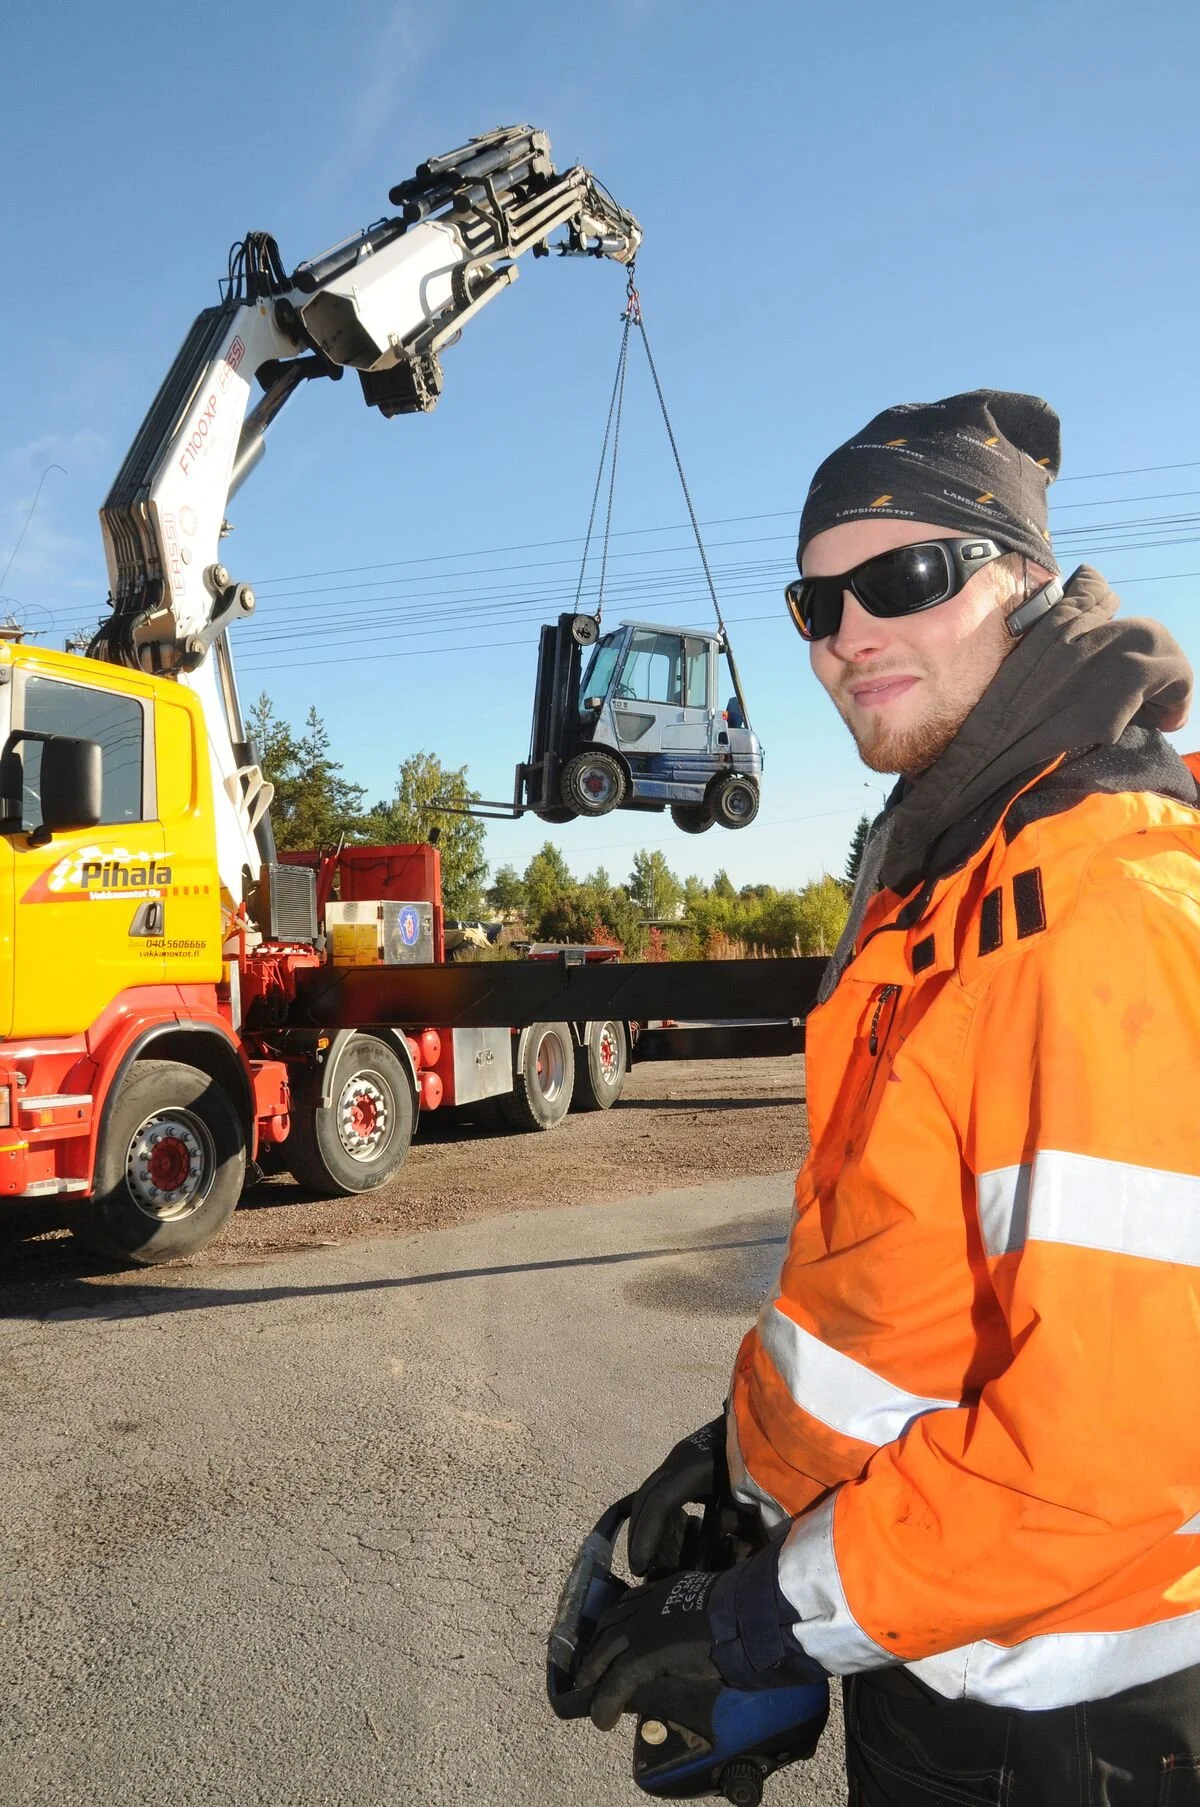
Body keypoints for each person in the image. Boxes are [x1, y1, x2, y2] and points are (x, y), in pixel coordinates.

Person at [578, 391, 1200, 1802]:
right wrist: (742, 1465)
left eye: (903, 577)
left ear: (1020, 584)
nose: (849, 631)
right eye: (817, 598)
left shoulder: (1095, 907)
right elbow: (893, 1298)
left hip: (1062, 1713)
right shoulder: (953, 884)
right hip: (928, 1646)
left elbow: (1106, 1450)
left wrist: (762, 1618)